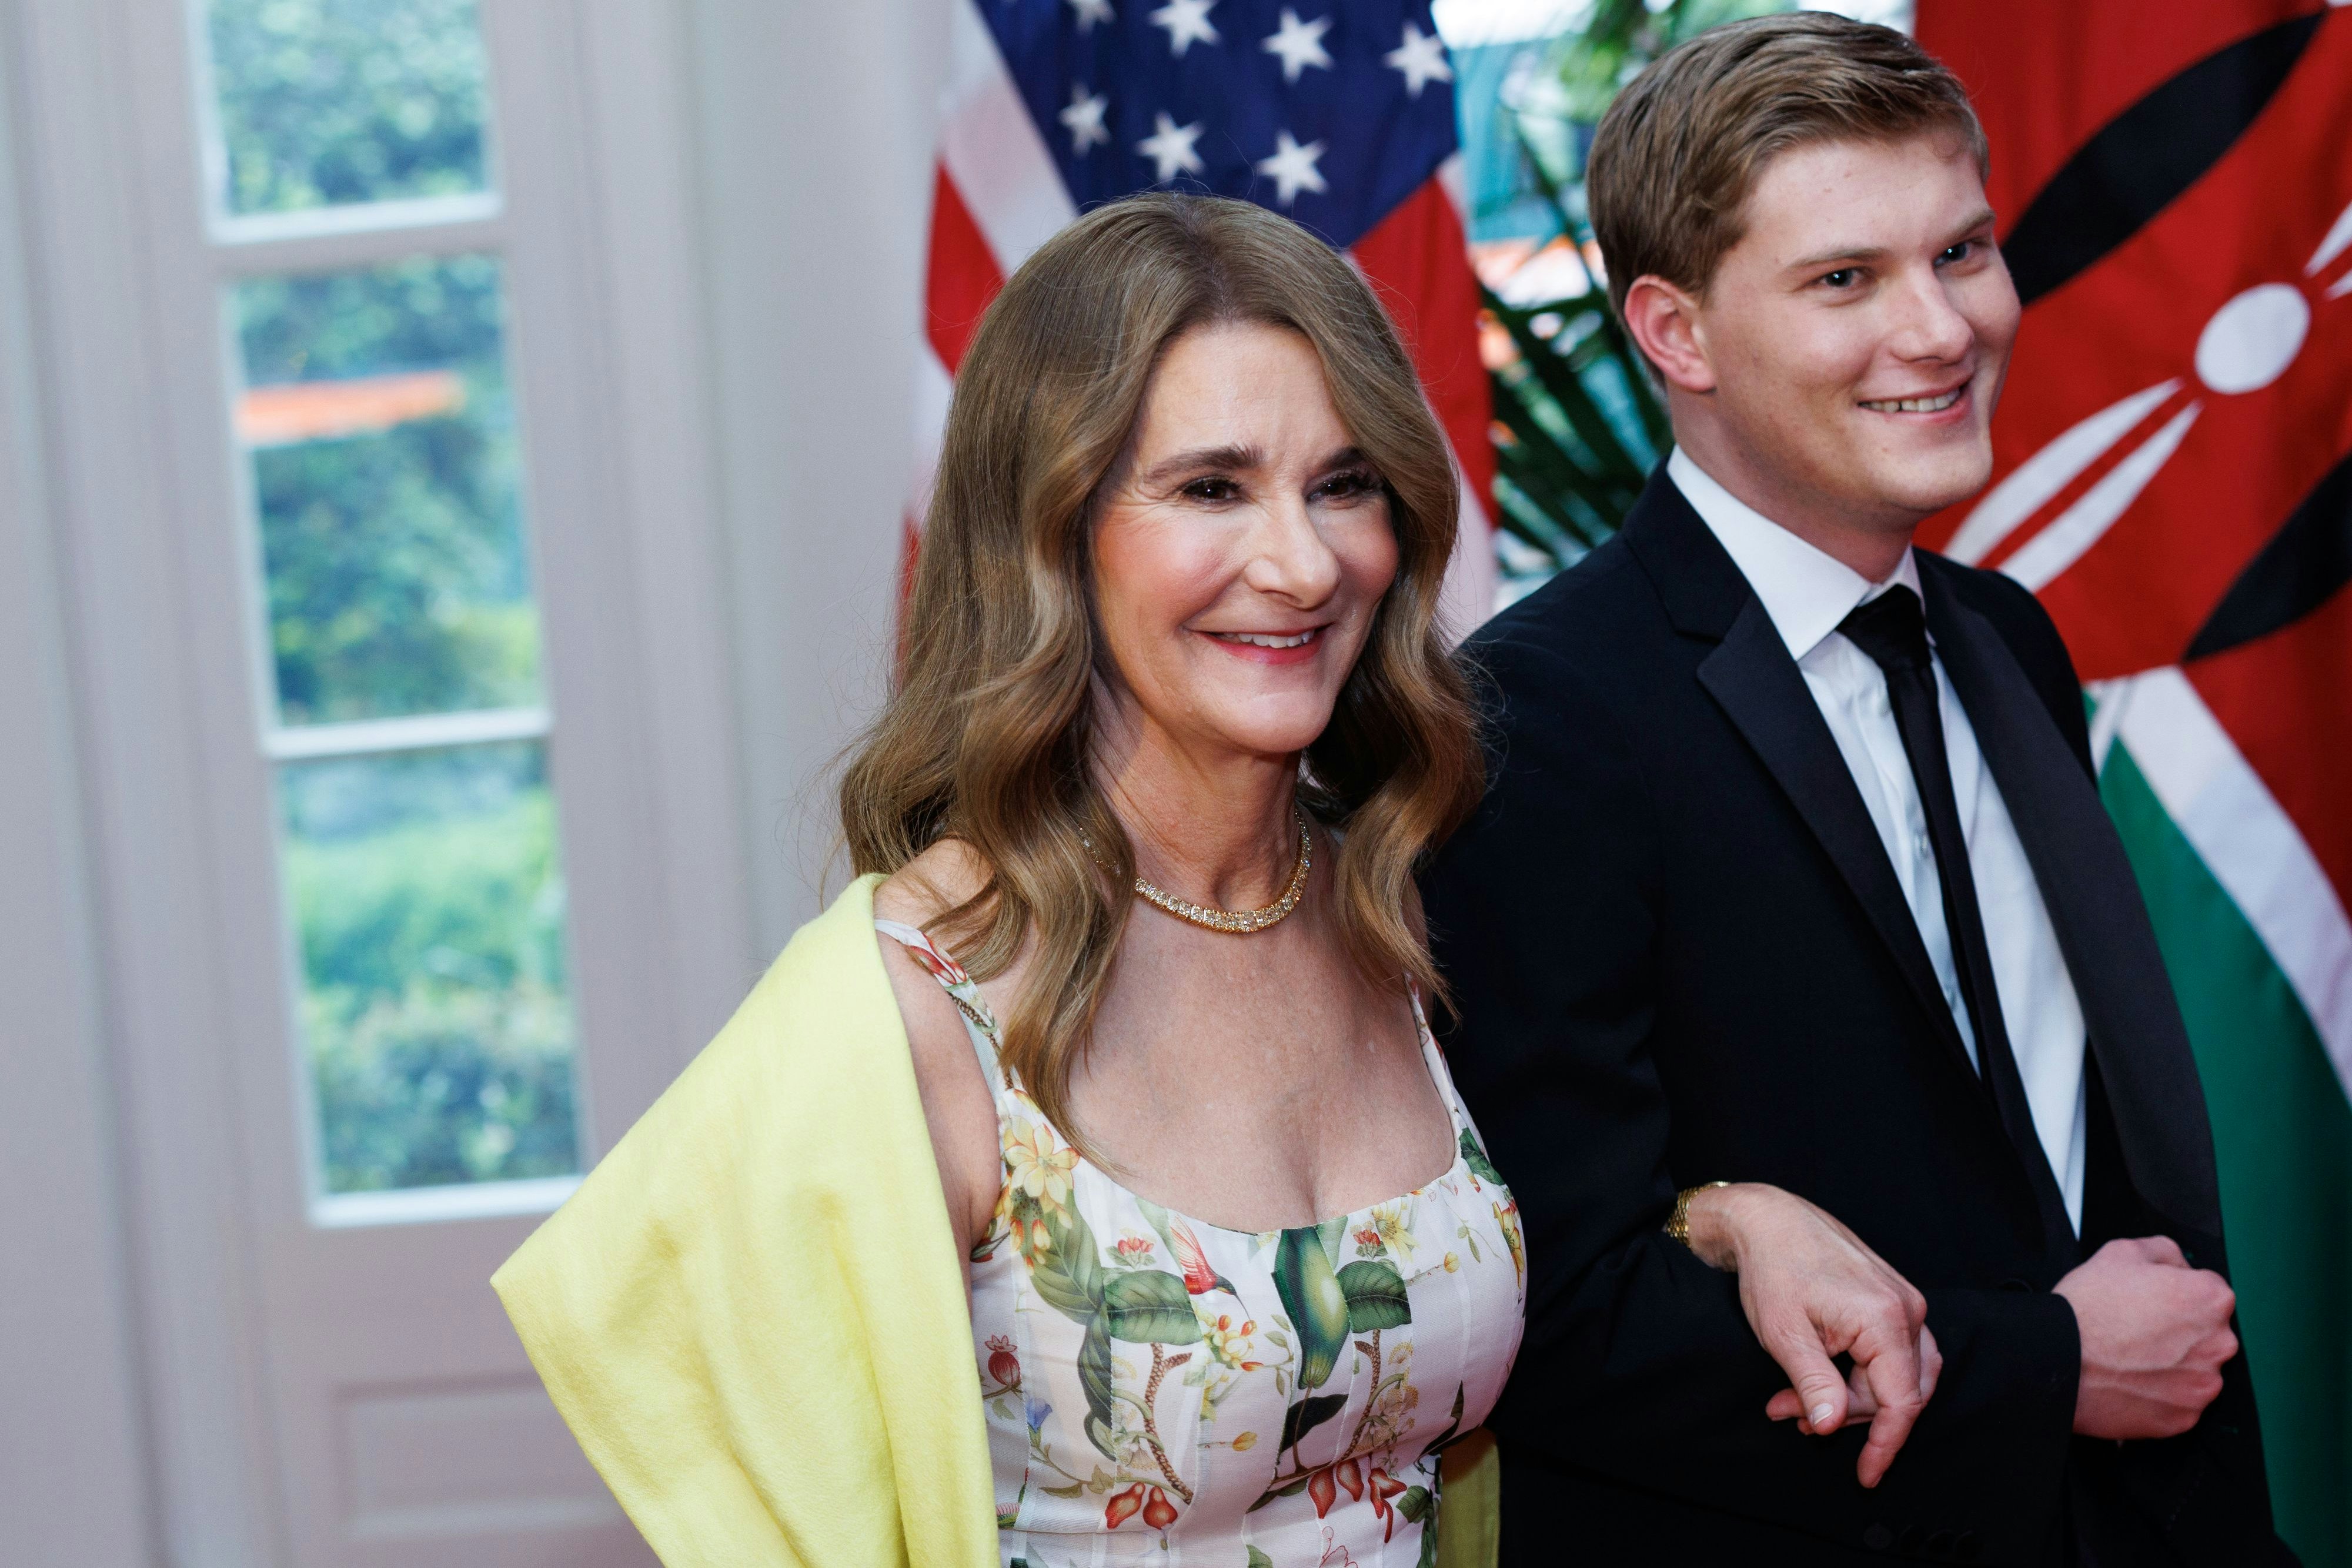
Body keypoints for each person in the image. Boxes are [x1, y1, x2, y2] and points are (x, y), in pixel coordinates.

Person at [495, 190, 1942, 1567]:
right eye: (1209, 487)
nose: (1301, 562)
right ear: (1051, 532)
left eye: (1342, 484)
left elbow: (1460, 1269)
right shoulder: (907, 1003)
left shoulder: (1396, 900)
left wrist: (1721, 1209)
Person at [1423, 14, 2291, 1566]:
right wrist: (2046, 1366)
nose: (1944, 327)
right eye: (1846, 279)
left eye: (1961, 251)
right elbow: (1557, 1313)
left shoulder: (2006, 636)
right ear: (1676, 333)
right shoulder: (1538, 712)